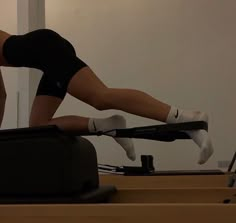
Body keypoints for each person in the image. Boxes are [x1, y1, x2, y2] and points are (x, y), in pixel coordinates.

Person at [0, 28, 213, 164]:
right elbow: (2, 95)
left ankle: (184, 118)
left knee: (100, 97)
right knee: (38, 126)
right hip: (46, 49)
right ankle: (106, 125)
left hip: (46, 48)